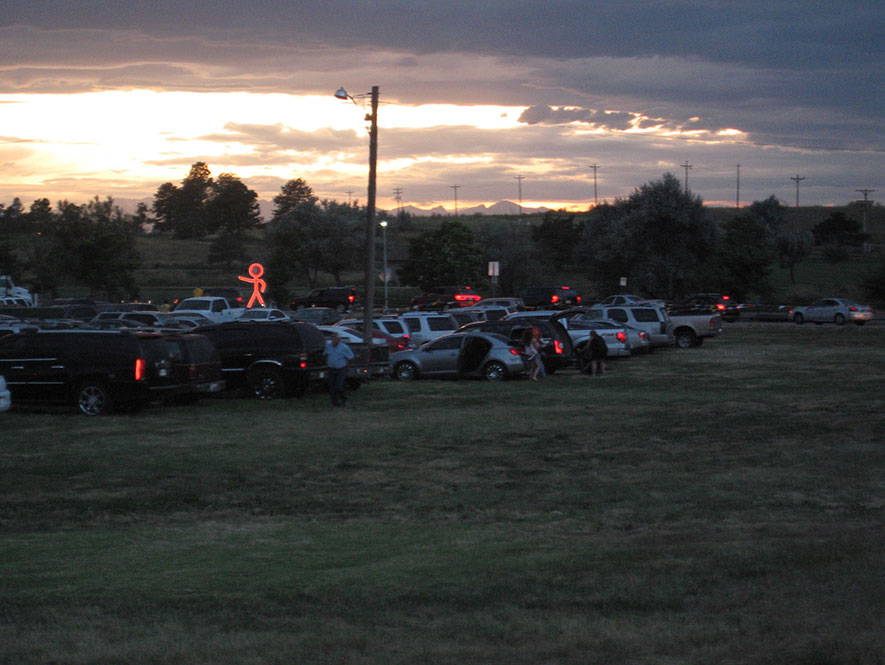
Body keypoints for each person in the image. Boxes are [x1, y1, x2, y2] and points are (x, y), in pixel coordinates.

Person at [322, 333, 354, 406]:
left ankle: (344, 399)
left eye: (335, 338)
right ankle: (335, 403)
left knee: (339, 386)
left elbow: (351, 358)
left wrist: (348, 367)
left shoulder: (344, 347)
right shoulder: (328, 346)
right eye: (332, 338)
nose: (333, 340)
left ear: (339, 340)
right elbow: (325, 355)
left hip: (341, 369)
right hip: (331, 368)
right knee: (331, 386)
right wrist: (326, 363)